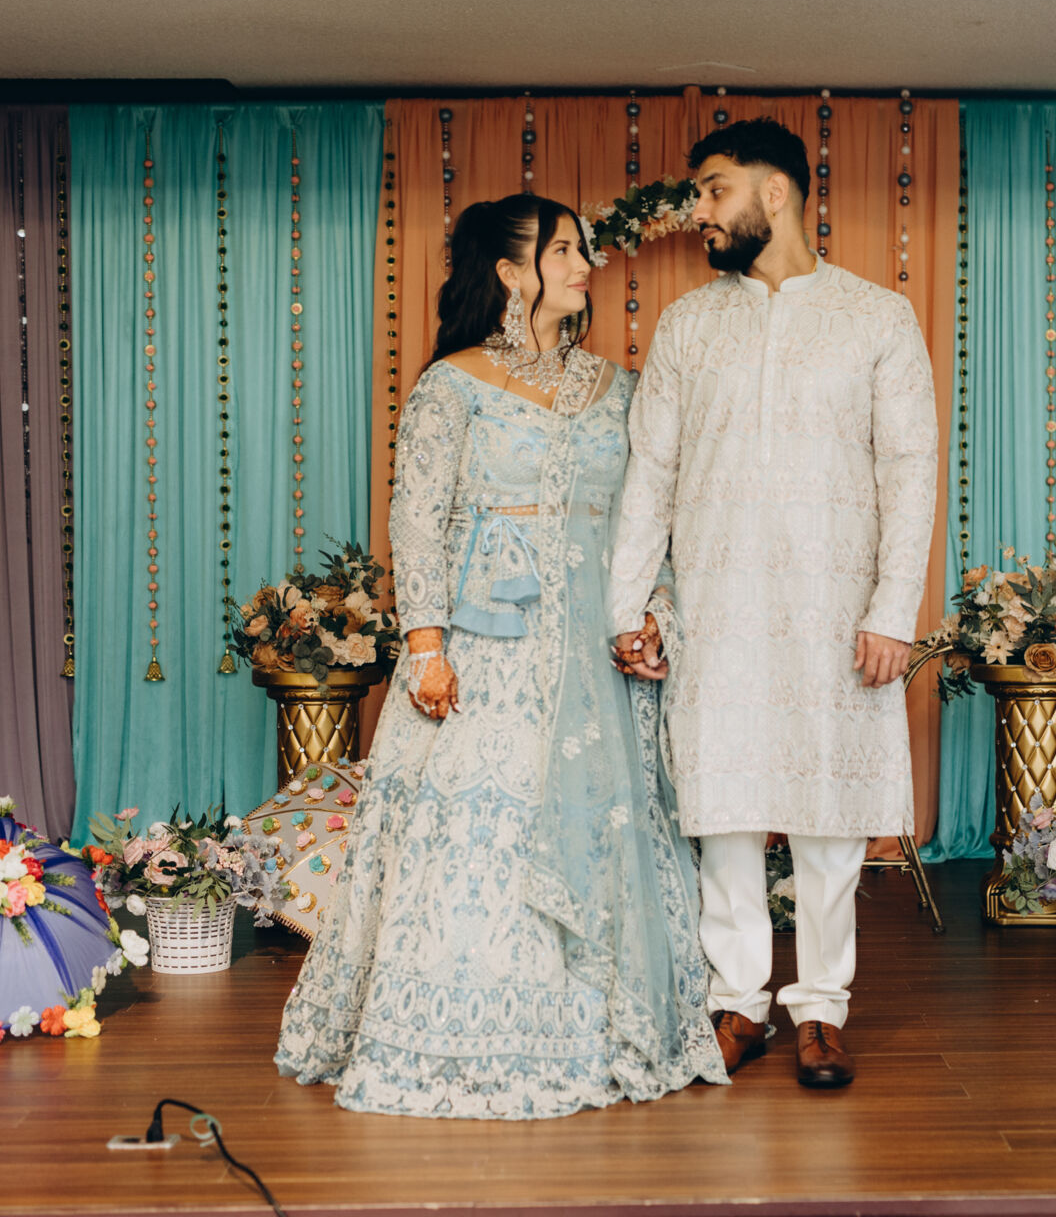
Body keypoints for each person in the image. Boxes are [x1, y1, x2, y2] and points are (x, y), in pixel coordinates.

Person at [275, 194, 726, 1117]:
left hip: (597, 658)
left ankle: (606, 1028)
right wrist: (427, 645)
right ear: (511, 272)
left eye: (583, 249)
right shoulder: (454, 385)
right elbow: (418, 519)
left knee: (600, 826)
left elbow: (652, 520)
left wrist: (656, 615)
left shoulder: (620, 390)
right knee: (485, 831)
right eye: (562, 250)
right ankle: (461, 1035)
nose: (584, 265)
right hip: (489, 649)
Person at [607, 119, 938, 1089]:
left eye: (715, 190)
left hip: (836, 606)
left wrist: (891, 609)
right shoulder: (688, 324)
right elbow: (649, 474)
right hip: (717, 601)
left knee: (832, 811)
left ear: (777, 192)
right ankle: (739, 1003)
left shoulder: (877, 317)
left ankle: (822, 1007)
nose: (700, 213)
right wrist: (630, 605)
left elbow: (910, 468)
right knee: (725, 807)